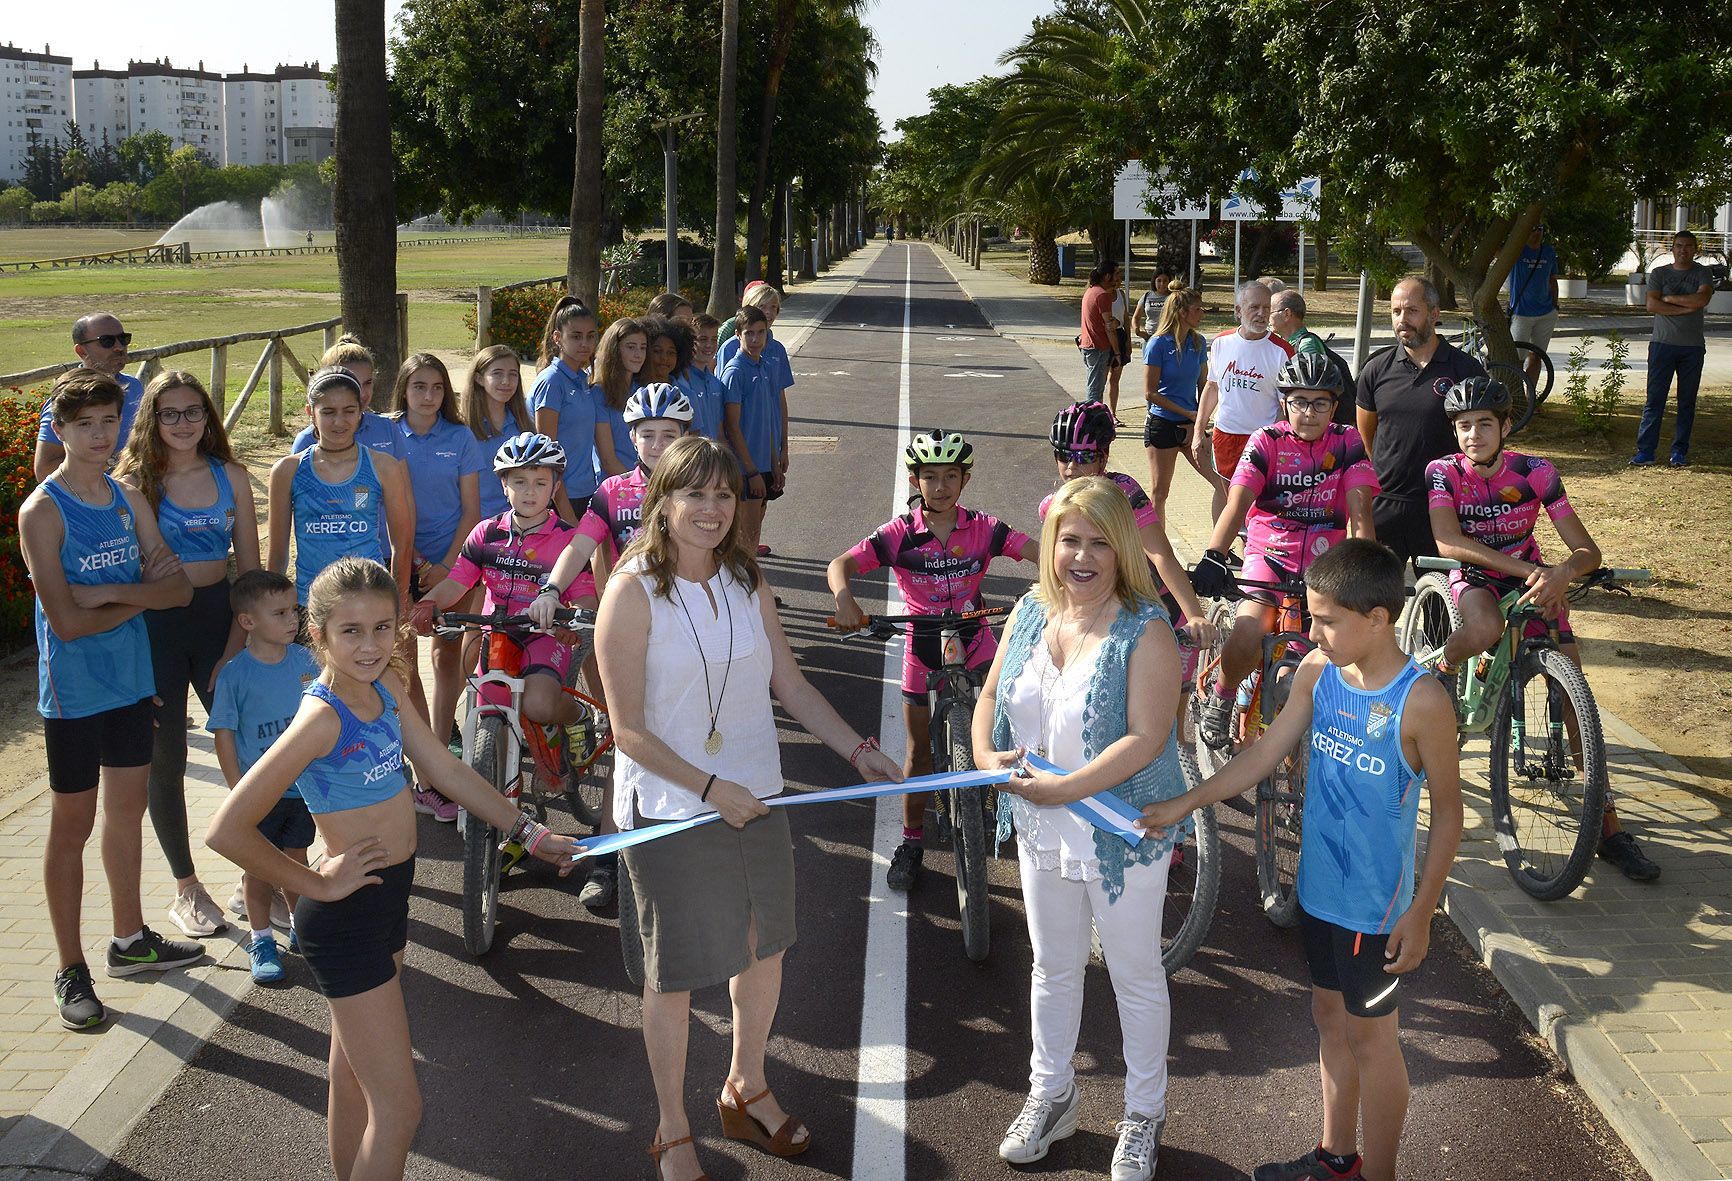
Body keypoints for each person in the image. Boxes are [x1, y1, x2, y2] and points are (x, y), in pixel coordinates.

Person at [207, 557, 582, 1181]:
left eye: (382, 627)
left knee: (350, 1071)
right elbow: (226, 829)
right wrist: (316, 884)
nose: (370, 644)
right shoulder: (322, 716)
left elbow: (447, 768)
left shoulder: (383, 692)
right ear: (318, 635)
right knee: (401, 1110)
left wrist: (529, 831)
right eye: (351, 631)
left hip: (386, 898)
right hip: (347, 916)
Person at [593, 435, 900, 1181]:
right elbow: (627, 730)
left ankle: (745, 1084)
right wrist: (709, 788)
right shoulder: (630, 592)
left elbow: (788, 683)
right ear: (662, 500)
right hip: (672, 806)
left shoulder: (745, 578)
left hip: (755, 792)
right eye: (694, 493)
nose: (712, 508)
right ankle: (672, 1129)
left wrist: (858, 750)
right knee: (673, 975)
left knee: (765, 946)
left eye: (724, 494)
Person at [1140, 539, 1464, 1181]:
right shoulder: (1319, 672)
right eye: (1312, 617)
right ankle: (1336, 1159)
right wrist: (1188, 801)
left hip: (1375, 910)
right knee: (1328, 1020)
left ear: (1378, 618)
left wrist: (1422, 912)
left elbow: (1450, 816)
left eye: (1327, 620)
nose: (1312, 633)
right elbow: (1266, 754)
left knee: (1373, 1040)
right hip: (1318, 892)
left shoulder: (1421, 701)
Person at [972, 476, 1188, 1181]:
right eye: (1070, 540)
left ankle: (1144, 1113)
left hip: (1121, 834)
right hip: (1040, 826)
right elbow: (989, 695)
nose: (1083, 556)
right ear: (1051, 545)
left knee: (1134, 974)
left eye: (1099, 542)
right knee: (1052, 966)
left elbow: (1146, 738)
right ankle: (1052, 1094)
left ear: (1123, 547)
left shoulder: (1146, 629)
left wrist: (1063, 788)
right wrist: (985, 756)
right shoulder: (1030, 610)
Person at [21, 368, 203, 1031]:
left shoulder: (128, 497)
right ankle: (71, 968)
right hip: (74, 694)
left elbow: (180, 591)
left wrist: (108, 593)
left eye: (108, 422)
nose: (100, 436)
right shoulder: (42, 511)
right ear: (60, 430)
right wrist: (138, 596)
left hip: (131, 683)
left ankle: (130, 941)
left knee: (126, 814)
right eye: (84, 424)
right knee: (72, 827)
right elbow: (67, 624)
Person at [1425, 376, 1661, 882]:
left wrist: (1563, 572)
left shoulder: (1536, 472)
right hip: (1477, 575)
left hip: (1535, 578)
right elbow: (1447, 542)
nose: (1473, 434)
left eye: (1484, 424)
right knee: (1485, 629)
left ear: (1506, 426)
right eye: (1463, 426)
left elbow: (1587, 550)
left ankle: (1609, 828)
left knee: (1576, 697)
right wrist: (1532, 571)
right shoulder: (1442, 472)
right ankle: (1444, 665)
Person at [828, 429, 1037, 891]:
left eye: (950, 476)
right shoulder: (899, 534)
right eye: (930, 476)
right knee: (918, 751)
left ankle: (1017, 811)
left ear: (965, 479)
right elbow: (840, 565)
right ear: (915, 480)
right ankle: (911, 841)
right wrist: (845, 601)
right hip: (921, 645)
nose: (940, 487)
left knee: (1014, 721)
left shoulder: (984, 528)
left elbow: (1039, 553)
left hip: (976, 637)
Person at [529, 385, 697, 909]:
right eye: (648, 434)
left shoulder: (700, 486)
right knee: (630, 741)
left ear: (685, 436)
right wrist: (551, 589)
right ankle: (606, 857)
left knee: (686, 734)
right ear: (632, 437)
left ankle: (687, 837)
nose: (657, 444)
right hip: (628, 627)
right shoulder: (613, 492)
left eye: (668, 434)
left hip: (686, 626)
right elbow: (579, 545)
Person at [113, 370, 261, 939]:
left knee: (249, 750)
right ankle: (186, 886)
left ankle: (257, 875)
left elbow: (248, 574)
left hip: (219, 622)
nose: (182, 423)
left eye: (192, 411)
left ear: (207, 416)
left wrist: (236, 648)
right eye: (169, 413)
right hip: (154, 632)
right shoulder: (132, 483)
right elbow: (126, 573)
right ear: (152, 419)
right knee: (166, 756)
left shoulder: (231, 475)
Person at [1192, 354, 1380, 749]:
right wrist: (1214, 553)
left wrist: (1369, 567)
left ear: (1334, 406)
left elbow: (1361, 512)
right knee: (1249, 629)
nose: (1309, 413)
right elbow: (1237, 504)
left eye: (1320, 403)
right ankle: (1223, 694)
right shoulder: (1267, 441)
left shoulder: (1347, 441)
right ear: (1283, 403)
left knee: (1314, 658)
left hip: (1324, 567)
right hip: (1269, 554)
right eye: (1299, 402)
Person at [207, 569, 321, 982]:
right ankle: (261, 941)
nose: (292, 620)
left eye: (293, 610)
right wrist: (238, 790)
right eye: (280, 613)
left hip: (304, 790)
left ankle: (301, 928)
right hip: (259, 794)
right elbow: (223, 734)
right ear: (248, 622)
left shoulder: (307, 662)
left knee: (296, 862)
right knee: (257, 870)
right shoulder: (234, 674)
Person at [390, 353, 484, 821]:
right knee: (403, 668)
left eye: (437, 387)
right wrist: (415, 563)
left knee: (447, 658)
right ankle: (425, 771)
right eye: (419, 387)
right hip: (399, 561)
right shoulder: (387, 434)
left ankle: (441, 756)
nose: (428, 396)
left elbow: (471, 510)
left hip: (453, 564)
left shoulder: (460, 437)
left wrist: (446, 565)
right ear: (403, 390)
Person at [1043, 400, 1215, 657]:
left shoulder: (1124, 493)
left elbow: (1161, 555)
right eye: (1063, 456)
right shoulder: (1052, 507)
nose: (1071, 468)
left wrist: (1195, 615)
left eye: (1084, 457)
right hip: (1097, 612)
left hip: (1153, 604)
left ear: (1104, 457)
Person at [1354, 275, 1484, 563]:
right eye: (1396, 311)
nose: (1402, 319)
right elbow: (1366, 434)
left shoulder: (1465, 370)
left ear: (1434, 314)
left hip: (1443, 505)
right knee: (1376, 589)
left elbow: (1482, 437)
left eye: (1412, 310)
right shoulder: (1376, 369)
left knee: (1441, 590)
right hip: (1386, 504)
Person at [267, 367, 415, 608]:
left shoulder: (384, 466)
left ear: (361, 411)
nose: (339, 422)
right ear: (310, 412)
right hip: (312, 604)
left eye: (349, 411)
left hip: (370, 602)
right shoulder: (287, 471)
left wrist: (398, 602)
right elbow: (277, 556)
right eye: (328, 412)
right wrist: (274, 610)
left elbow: (402, 544)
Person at [1193, 281, 1293, 519]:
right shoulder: (1221, 342)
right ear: (1238, 310)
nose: (1261, 314)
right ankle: (1221, 543)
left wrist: (1273, 441)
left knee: (1257, 501)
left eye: (1266, 308)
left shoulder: (1282, 351)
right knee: (1225, 494)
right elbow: (1212, 387)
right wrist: (1198, 431)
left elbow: (1285, 405)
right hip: (1225, 435)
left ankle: (1252, 541)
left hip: (1261, 440)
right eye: (1254, 307)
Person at [720, 283, 796, 555]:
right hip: (745, 455)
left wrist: (780, 451)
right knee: (742, 526)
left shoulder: (768, 356)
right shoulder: (734, 358)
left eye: (774, 308)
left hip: (766, 449)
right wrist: (749, 469)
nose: (769, 312)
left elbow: (777, 402)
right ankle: (745, 570)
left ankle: (748, 560)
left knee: (756, 518)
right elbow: (730, 419)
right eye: (763, 307)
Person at [1632, 229, 1715, 468]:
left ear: (1695, 249)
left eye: (1688, 246)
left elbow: (1702, 300)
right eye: (1679, 246)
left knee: (1686, 402)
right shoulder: (1660, 273)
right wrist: (1685, 307)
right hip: (1662, 345)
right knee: (1654, 400)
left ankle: (1679, 452)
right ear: (1672, 248)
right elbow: (1651, 305)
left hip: (1692, 348)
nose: (1683, 250)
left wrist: (1668, 300)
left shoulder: (1703, 273)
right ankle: (1646, 451)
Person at [1141, 283, 1222, 521]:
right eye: (1198, 309)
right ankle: (1156, 545)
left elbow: (1204, 384)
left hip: (1192, 425)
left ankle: (1222, 541)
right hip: (1163, 426)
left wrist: (1198, 420)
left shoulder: (1198, 342)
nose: (1202, 313)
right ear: (1182, 312)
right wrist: (1189, 414)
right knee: (1160, 493)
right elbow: (1150, 393)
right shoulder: (1157, 344)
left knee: (1222, 484)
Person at [34, 312, 144, 481]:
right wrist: (115, 464)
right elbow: (44, 469)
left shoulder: (135, 386)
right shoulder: (69, 398)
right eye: (107, 341)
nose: (119, 347)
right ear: (81, 351)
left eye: (123, 339)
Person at [531, 295, 603, 523]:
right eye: (576, 336)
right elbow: (547, 455)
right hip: (562, 499)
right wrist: (568, 515)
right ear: (557, 338)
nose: (585, 343)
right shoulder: (551, 381)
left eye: (590, 336)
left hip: (586, 491)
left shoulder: (583, 379)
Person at [291, 335, 405, 461]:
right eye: (353, 385)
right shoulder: (306, 441)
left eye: (367, 383)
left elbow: (402, 472)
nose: (362, 393)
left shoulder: (387, 428)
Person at [462, 344, 535, 522]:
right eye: (497, 373)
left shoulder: (524, 426)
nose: (506, 381)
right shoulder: (463, 429)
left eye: (513, 374)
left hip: (518, 523)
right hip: (476, 525)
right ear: (479, 379)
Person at [1506, 222, 1560, 392]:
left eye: (1540, 229)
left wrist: (1555, 305)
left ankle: (1531, 398)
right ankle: (1515, 396)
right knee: (1517, 359)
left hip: (1546, 313)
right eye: (1532, 229)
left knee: (1537, 357)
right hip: (1521, 314)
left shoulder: (1548, 251)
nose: (1537, 233)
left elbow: (1552, 280)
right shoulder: (1516, 251)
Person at [594, 317, 650, 475]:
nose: (638, 354)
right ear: (614, 349)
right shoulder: (598, 394)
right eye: (631, 347)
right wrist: (637, 485)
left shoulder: (643, 390)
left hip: (646, 479)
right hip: (616, 483)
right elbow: (608, 460)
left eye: (643, 348)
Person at [676, 313, 728, 440]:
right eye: (703, 339)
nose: (709, 345)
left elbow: (719, 430)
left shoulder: (716, 383)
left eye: (714, 339)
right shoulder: (682, 381)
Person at [1079, 260, 1121, 404]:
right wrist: (1117, 353)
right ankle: (1092, 415)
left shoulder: (1091, 291)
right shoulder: (1102, 295)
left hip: (1088, 345)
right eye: (1116, 273)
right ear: (1107, 276)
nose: (1119, 277)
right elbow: (1109, 327)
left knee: (1094, 386)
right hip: (1098, 347)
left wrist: (1115, 322)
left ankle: (1093, 413)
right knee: (1095, 391)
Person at [1270, 290, 1324, 357]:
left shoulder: (1306, 346)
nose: (1266, 317)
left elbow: (1312, 363)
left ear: (1287, 314)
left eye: (1270, 312)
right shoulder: (1284, 343)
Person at [1129, 270, 1175, 342]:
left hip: (1168, 337)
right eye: (1159, 281)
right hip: (1150, 337)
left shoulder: (1174, 297)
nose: (1162, 284)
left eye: (1165, 281)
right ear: (1154, 281)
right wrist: (1137, 331)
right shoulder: (1147, 296)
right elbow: (1136, 317)